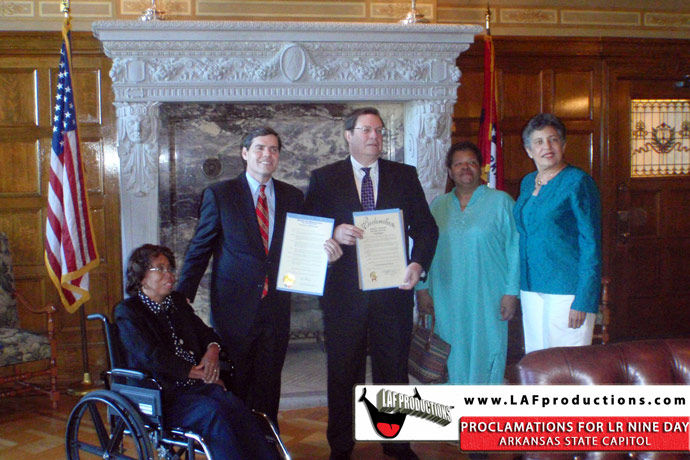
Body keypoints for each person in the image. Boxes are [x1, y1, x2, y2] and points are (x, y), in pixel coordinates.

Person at [176, 126, 342, 427]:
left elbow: (302, 246)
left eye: (274, 149)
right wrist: (182, 295)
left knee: (269, 381)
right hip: (234, 308)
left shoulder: (292, 196)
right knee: (236, 379)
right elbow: (200, 250)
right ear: (245, 153)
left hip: (276, 307)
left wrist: (325, 259)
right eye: (260, 148)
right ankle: (236, 441)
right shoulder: (221, 195)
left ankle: (267, 439)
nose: (267, 154)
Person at [304, 107, 439, 460]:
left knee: (393, 370)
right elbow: (307, 231)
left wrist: (417, 264)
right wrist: (332, 233)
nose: (375, 137)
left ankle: (396, 444)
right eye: (366, 130)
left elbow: (426, 228)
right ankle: (341, 446)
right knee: (342, 372)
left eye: (379, 131)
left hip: (393, 292)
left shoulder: (404, 176)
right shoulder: (323, 178)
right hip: (343, 295)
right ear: (348, 135)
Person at [114, 244, 278, 460]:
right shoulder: (129, 312)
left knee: (236, 407)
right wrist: (196, 373)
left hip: (193, 389)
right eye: (160, 269)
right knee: (214, 412)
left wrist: (212, 351)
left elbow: (206, 333)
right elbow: (150, 357)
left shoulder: (177, 303)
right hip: (161, 394)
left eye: (170, 269)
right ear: (141, 277)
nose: (169, 275)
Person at [416, 141, 519, 384]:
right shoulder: (438, 205)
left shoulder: (502, 202)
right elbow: (425, 249)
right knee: (449, 350)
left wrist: (511, 293)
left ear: (480, 169)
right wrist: (422, 289)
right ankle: (453, 411)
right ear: (450, 171)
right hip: (445, 296)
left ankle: (483, 412)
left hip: (489, 295)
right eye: (458, 163)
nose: (465, 168)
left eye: (471, 162)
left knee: (488, 347)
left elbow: (515, 249)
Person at [514, 113, 602, 354]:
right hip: (531, 287)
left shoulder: (578, 182)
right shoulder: (528, 182)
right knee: (537, 361)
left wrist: (584, 298)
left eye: (553, 140)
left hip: (567, 290)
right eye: (539, 142)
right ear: (528, 150)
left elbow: (591, 244)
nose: (547, 147)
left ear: (563, 144)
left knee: (567, 368)